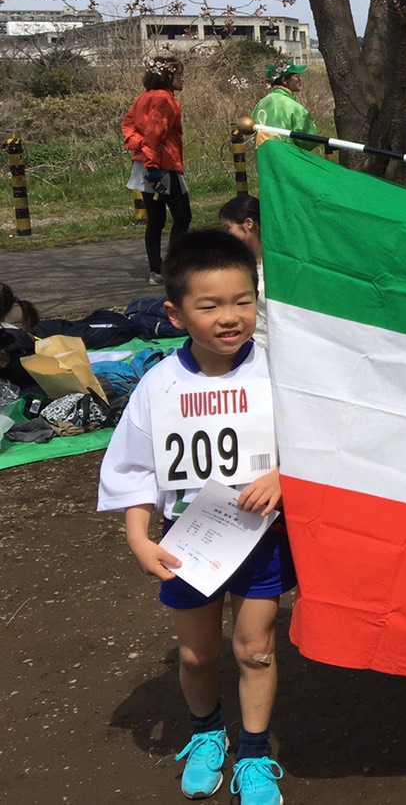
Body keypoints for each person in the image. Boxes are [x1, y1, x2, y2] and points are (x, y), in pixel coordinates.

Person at [96, 230, 292, 805]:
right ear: (175, 314)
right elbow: (134, 466)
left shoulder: (279, 373)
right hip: (190, 540)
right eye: (209, 306)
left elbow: (319, 442)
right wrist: (138, 536)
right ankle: (207, 732)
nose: (230, 317)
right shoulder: (159, 384)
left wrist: (285, 475)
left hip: (261, 538)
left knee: (255, 649)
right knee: (196, 654)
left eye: (243, 301)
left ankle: (253, 754)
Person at [123, 54, 191, 285]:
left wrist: (138, 146)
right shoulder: (165, 100)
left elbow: (128, 125)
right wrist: (152, 163)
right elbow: (155, 133)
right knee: (182, 216)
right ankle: (173, 267)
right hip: (162, 166)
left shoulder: (143, 98)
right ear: (168, 76)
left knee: (156, 219)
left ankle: (156, 270)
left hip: (143, 164)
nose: (182, 78)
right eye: (179, 74)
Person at [219, 195, 268, 349]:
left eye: (228, 227)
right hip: (254, 344)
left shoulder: (279, 262)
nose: (226, 234)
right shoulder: (237, 265)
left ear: (248, 224)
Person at [251, 62, 319, 148]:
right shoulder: (294, 107)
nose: (299, 79)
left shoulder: (260, 103)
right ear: (284, 81)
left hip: (263, 155)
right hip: (286, 155)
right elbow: (308, 141)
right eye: (296, 76)